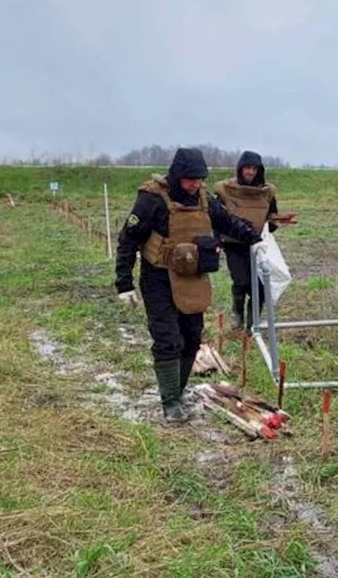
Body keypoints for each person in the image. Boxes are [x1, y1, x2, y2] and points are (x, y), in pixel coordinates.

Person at [115, 147, 262, 423]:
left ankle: (179, 391)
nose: (195, 184)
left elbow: (228, 222)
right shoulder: (152, 199)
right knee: (168, 340)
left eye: (200, 179)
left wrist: (256, 239)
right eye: (190, 179)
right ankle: (170, 402)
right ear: (177, 175)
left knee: (192, 337)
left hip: (193, 278)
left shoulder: (204, 200)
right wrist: (124, 283)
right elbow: (128, 239)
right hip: (158, 278)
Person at [213, 150, 294, 329]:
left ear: (259, 170)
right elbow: (216, 217)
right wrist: (216, 241)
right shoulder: (225, 190)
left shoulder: (266, 192)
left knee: (259, 286)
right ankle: (237, 313)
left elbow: (269, 215)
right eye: (246, 168)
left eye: (254, 169)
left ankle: (253, 324)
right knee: (241, 281)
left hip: (256, 245)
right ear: (240, 169)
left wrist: (280, 219)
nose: (250, 172)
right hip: (234, 244)